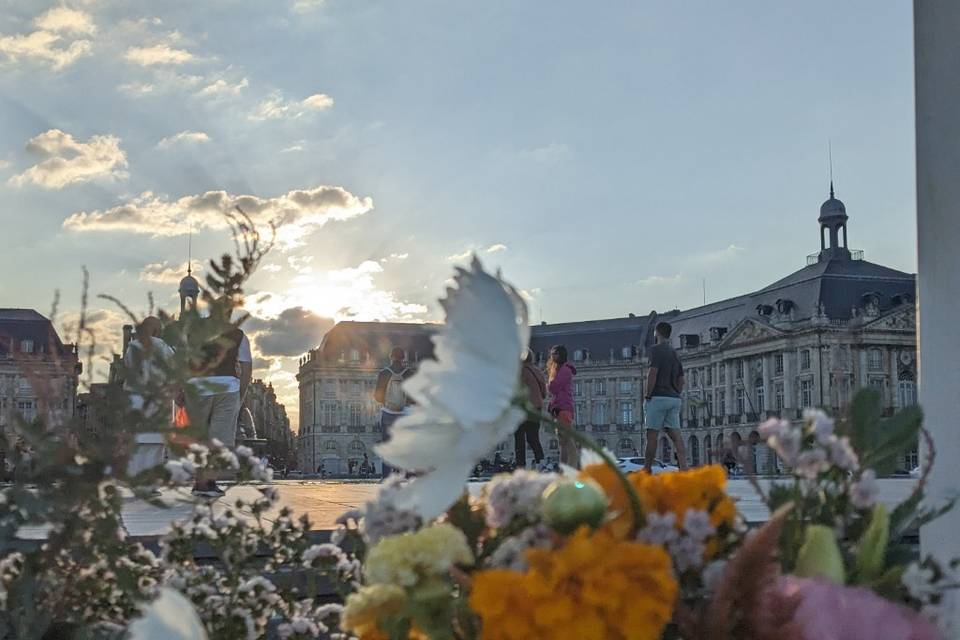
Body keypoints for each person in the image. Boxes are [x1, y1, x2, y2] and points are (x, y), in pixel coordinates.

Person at [187, 322, 253, 497]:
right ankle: (209, 483)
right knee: (220, 437)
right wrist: (241, 393)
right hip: (227, 387)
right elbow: (246, 367)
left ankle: (199, 482)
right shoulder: (239, 335)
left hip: (197, 386)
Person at [123, 316, 175, 478]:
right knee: (156, 444)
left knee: (138, 443)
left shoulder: (132, 348)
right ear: (156, 331)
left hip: (136, 400)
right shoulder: (166, 349)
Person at [643, 321, 687, 473]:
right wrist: (676, 394)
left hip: (658, 397)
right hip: (674, 399)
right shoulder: (675, 354)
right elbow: (682, 380)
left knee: (652, 435)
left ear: (657, 333)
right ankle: (684, 468)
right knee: (676, 436)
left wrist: (648, 394)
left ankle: (647, 469)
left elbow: (652, 373)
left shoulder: (656, 350)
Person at [373, 346, 414, 477]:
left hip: (388, 413)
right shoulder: (410, 374)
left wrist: (388, 400)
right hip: (404, 414)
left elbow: (377, 397)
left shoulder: (383, 373)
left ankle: (385, 477)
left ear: (391, 357)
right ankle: (406, 474)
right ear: (403, 358)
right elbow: (414, 397)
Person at [547, 345, 579, 468]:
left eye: (554, 353)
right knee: (563, 443)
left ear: (561, 355)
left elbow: (553, 387)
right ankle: (564, 470)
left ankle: (571, 471)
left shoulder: (565, 370)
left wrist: (550, 382)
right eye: (551, 353)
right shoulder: (560, 370)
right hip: (559, 409)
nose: (552, 356)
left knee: (568, 443)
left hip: (564, 409)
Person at [516, 348, 547, 470]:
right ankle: (541, 462)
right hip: (537, 408)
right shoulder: (538, 371)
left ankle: (520, 466)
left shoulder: (520, 372)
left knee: (519, 438)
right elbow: (544, 393)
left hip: (523, 408)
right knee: (533, 437)